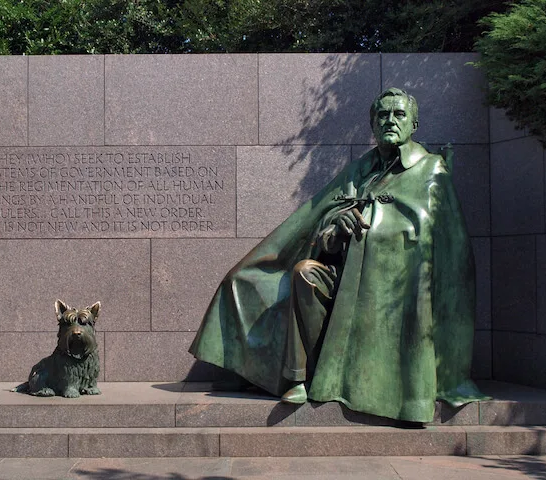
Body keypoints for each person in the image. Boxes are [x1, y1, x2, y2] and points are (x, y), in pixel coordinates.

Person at [189, 88, 488, 423]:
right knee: (298, 272)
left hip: (391, 290)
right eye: (383, 115)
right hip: (344, 275)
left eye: (399, 115)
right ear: (373, 125)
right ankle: (295, 375)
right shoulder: (360, 169)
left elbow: (448, 249)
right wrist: (335, 228)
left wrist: (376, 227)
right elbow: (323, 223)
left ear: (414, 124)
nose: (390, 121)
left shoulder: (432, 170)